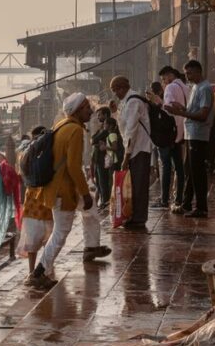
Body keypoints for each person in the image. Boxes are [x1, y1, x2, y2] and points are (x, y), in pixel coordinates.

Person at [28, 93, 110, 290]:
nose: (90, 111)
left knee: (90, 211)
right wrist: (83, 193)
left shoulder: (62, 125)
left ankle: (91, 246)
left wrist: (84, 195)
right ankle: (39, 273)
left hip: (61, 187)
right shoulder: (74, 130)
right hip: (63, 191)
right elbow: (73, 167)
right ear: (77, 111)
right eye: (86, 108)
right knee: (61, 232)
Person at [166, 59, 215, 218]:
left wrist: (182, 113)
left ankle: (201, 207)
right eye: (186, 73)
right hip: (190, 133)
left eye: (189, 73)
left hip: (198, 135)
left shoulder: (205, 88)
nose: (187, 76)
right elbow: (193, 110)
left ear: (198, 71)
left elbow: (203, 114)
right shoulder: (194, 88)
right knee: (190, 170)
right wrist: (182, 109)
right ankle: (186, 203)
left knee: (198, 172)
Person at [112, 76, 153, 230]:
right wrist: (115, 113)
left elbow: (131, 131)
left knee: (140, 185)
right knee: (134, 185)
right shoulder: (127, 102)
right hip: (134, 149)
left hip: (139, 148)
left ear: (122, 87)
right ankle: (133, 215)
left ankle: (139, 218)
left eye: (116, 90)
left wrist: (126, 156)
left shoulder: (133, 101)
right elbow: (124, 125)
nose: (115, 94)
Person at [158, 66, 189, 210]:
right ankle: (179, 198)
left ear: (170, 75)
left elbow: (168, 107)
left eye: (164, 78)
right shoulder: (185, 87)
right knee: (179, 168)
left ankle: (164, 200)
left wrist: (158, 102)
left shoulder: (170, 87)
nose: (164, 82)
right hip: (182, 132)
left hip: (170, 132)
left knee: (166, 166)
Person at [91, 114, 123, 210]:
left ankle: (109, 203)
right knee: (109, 182)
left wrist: (105, 147)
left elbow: (115, 147)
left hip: (114, 162)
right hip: (112, 162)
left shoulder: (112, 134)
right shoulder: (110, 134)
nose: (104, 125)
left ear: (110, 125)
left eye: (105, 124)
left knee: (111, 183)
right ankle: (109, 202)